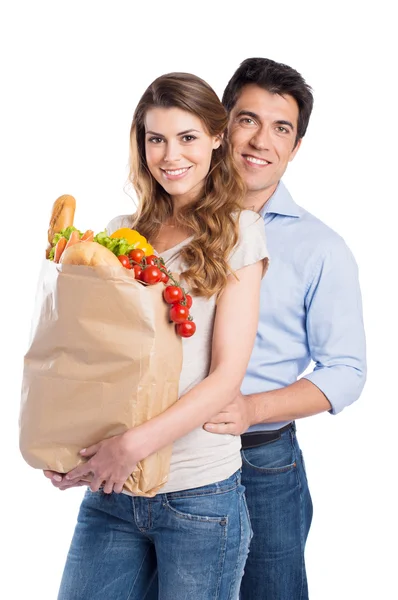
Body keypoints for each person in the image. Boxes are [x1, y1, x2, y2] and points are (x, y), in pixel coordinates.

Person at [44, 71, 269, 600]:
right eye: (156, 139)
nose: (171, 155)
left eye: (187, 137)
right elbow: (98, 362)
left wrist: (128, 447)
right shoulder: (124, 234)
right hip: (115, 491)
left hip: (199, 495)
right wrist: (76, 450)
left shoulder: (240, 231)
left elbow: (225, 379)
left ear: (217, 138)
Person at [202, 57, 367, 600]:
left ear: (295, 147)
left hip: (261, 460)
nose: (261, 141)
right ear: (222, 127)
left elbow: (345, 372)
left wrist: (252, 409)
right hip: (165, 451)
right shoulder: (171, 220)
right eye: (248, 120)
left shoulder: (320, 248)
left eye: (282, 128)